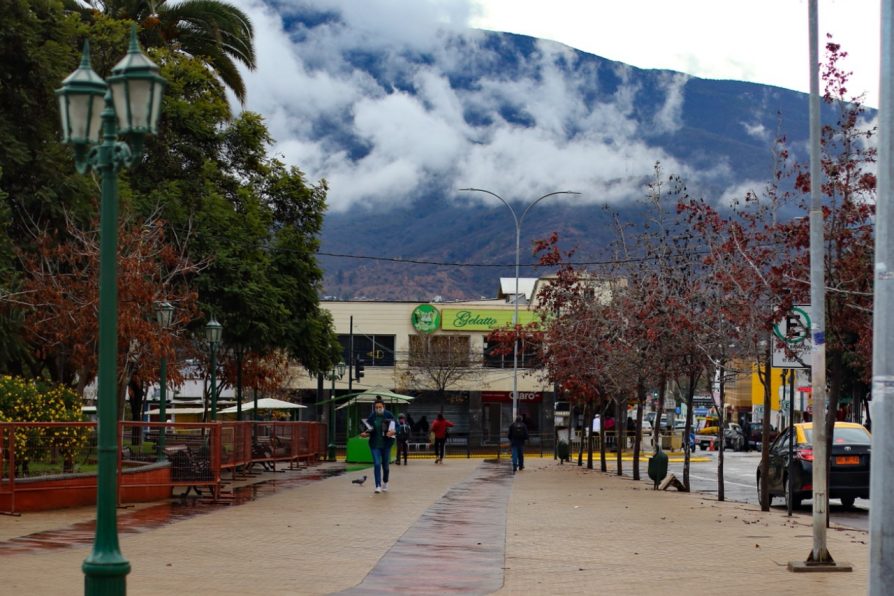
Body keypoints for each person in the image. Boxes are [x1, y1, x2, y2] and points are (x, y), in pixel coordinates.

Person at [359, 397, 396, 493]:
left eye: (380, 407)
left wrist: (393, 432)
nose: (378, 409)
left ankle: (385, 482)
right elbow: (368, 429)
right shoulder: (372, 416)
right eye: (376, 407)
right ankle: (378, 486)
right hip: (375, 444)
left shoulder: (389, 414)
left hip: (386, 444)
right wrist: (364, 434)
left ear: (384, 407)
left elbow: (398, 427)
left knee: (386, 466)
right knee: (376, 464)